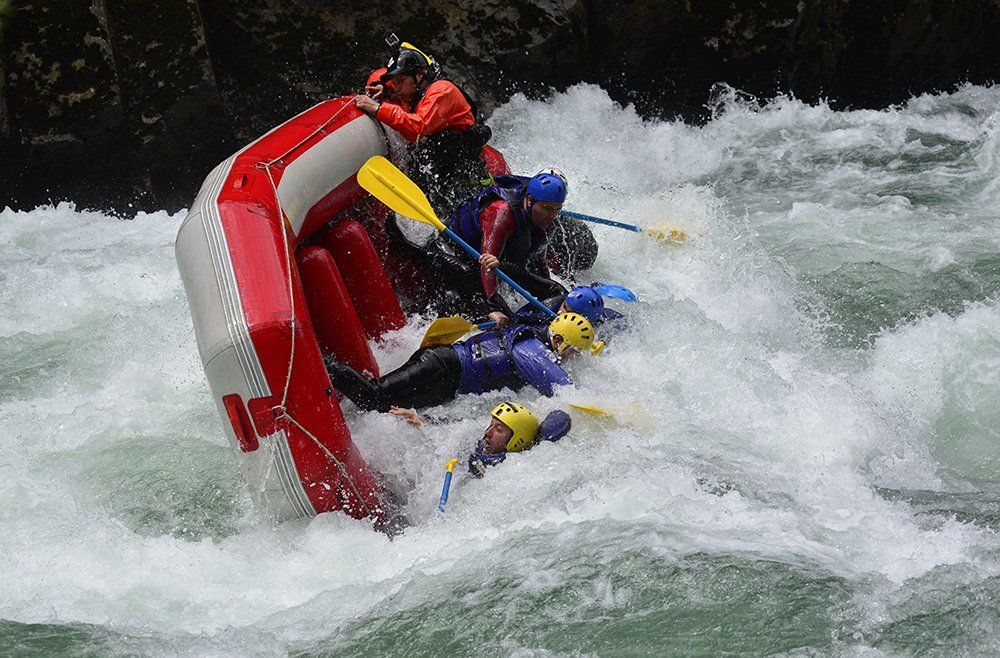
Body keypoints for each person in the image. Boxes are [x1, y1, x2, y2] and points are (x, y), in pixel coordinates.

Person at [325, 313, 600, 412]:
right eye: (574, 352)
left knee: (385, 408)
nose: (572, 359)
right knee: (375, 398)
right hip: (441, 365)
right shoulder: (531, 350)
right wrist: (593, 402)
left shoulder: (535, 339)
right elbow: (563, 390)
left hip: (448, 383)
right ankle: (325, 367)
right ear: (562, 342)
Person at [385, 170, 570, 317]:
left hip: (489, 261)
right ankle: (414, 311)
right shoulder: (501, 213)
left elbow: (538, 260)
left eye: (557, 209)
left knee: (557, 291)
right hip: (453, 251)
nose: (552, 215)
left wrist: (550, 289)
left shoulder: (545, 218)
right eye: (547, 209)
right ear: (529, 201)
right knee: (471, 286)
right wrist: (492, 309)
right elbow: (487, 265)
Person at [354, 42, 492, 210]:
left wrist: (378, 108)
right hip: (441, 171)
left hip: (465, 177)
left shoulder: (442, 91)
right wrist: (383, 87)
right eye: (394, 82)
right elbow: (381, 75)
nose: (395, 87)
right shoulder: (410, 87)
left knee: (432, 147)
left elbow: (418, 128)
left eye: (400, 81)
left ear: (419, 76)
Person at [390, 401, 571, 477]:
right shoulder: (480, 444)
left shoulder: (518, 469)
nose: (488, 432)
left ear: (517, 441)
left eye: (498, 429)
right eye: (491, 425)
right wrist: (420, 421)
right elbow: (448, 432)